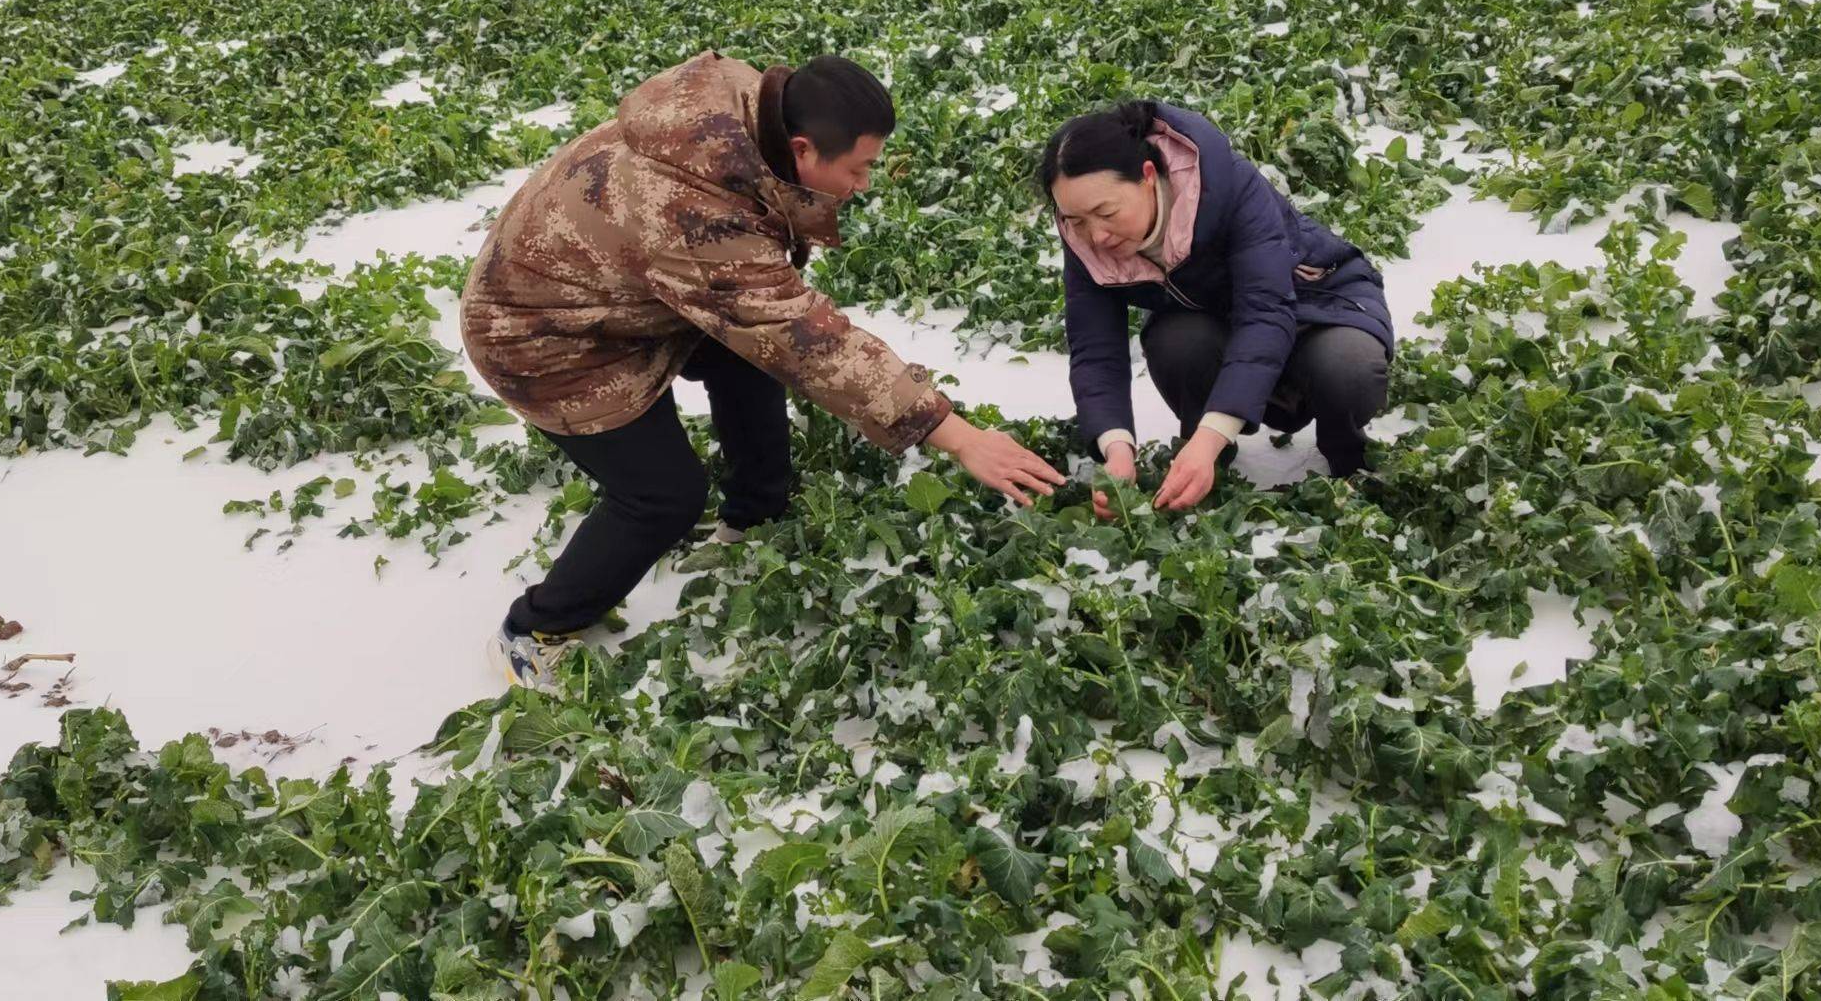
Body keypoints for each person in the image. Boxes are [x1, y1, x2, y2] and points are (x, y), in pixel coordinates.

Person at [462, 51, 1065, 689]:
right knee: (662, 497)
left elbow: (769, 329)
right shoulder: (697, 214)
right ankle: (537, 627)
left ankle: (757, 511)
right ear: (803, 149)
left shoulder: (745, 114)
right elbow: (812, 342)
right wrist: (960, 436)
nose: (864, 186)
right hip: (542, 338)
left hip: (622, 295)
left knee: (752, 355)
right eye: (858, 170)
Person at [1042, 100, 1393, 517]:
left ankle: (1348, 465)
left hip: (1315, 305)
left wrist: (1212, 435)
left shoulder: (1223, 186)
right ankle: (1203, 462)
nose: (1094, 235)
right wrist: (1115, 451)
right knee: (1176, 342)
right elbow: (1095, 348)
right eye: (1075, 220)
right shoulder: (1084, 236)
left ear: (1148, 177)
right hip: (1219, 320)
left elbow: (1266, 313)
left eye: (1106, 212)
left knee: (1347, 367)